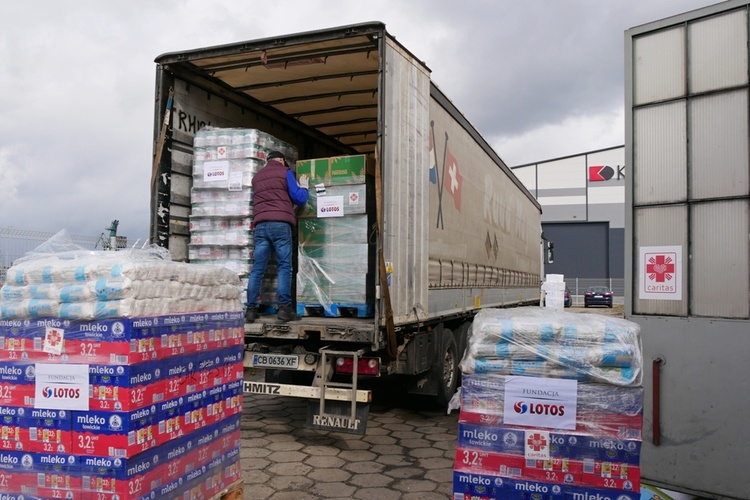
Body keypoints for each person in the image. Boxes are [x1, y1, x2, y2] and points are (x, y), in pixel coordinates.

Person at [245, 150, 309, 323]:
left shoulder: (257, 178)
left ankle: (250, 309)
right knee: (284, 267)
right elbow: (299, 198)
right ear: (281, 160)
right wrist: (304, 188)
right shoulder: (285, 172)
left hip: (261, 226)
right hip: (280, 225)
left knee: (258, 268)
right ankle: (284, 309)